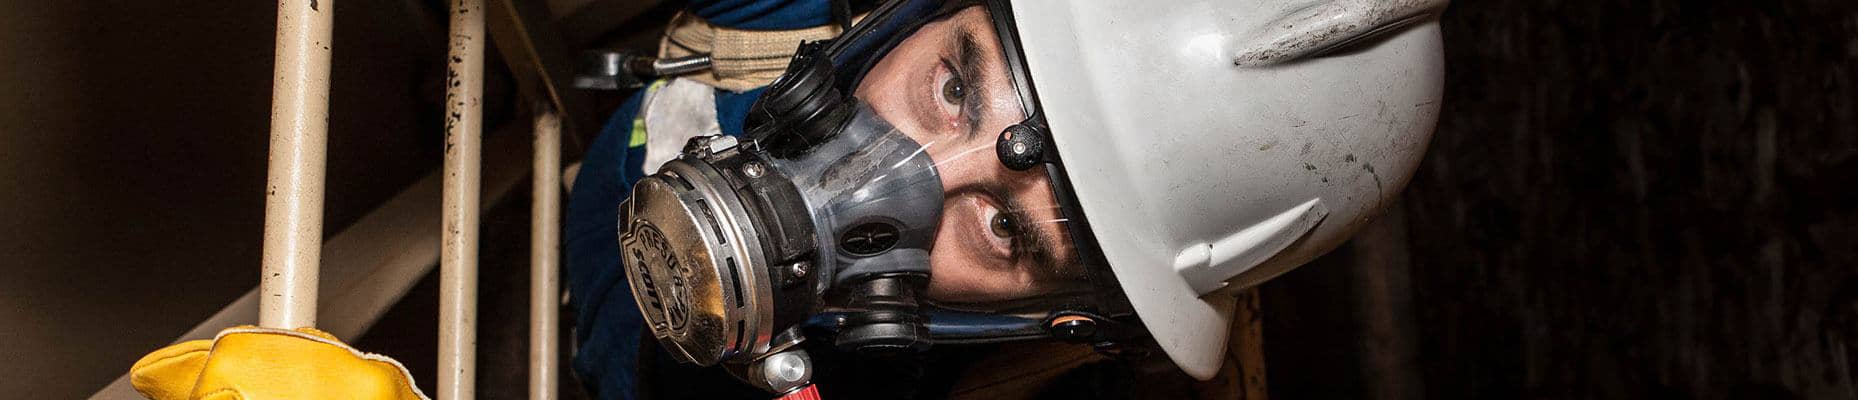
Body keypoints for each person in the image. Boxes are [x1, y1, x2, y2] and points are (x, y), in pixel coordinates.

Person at [128, 0, 1445, 398]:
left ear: (1057, 324)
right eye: (952, 85)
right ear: (914, 15)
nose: (901, 185)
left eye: (1006, 229)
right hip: (589, 193)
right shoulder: (793, 13)